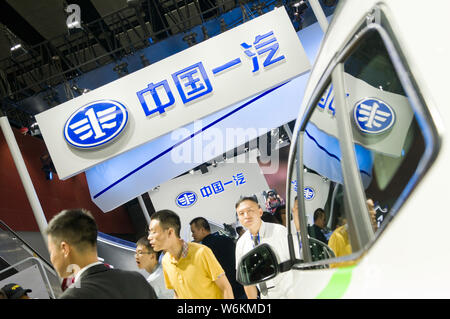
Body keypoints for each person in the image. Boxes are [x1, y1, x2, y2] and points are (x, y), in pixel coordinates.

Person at [46, 209, 157, 299]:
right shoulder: (136, 280)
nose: (51, 258)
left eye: (51, 251)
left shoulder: (72, 296)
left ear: (65, 248)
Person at [148, 209, 234, 299]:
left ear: (170, 232)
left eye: (153, 232)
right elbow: (177, 293)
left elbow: (225, 288)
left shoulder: (201, 252)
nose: (149, 237)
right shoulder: (166, 261)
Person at [235, 196, 295, 299]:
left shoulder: (279, 231)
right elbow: (247, 281)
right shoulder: (241, 244)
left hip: (291, 292)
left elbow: (299, 262)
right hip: (267, 295)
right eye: (241, 213)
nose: (246, 216)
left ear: (260, 212)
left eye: (250, 211)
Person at [190, 217, 246, 299]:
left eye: (193, 232)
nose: (192, 235)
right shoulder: (227, 239)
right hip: (241, 286)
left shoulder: (203, 250)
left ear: (202, 230)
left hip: (224, 292)